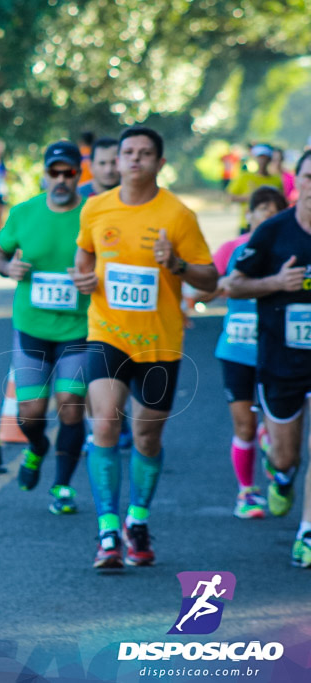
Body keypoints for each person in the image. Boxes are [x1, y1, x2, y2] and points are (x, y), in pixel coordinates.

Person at [71, 127, 217, 569]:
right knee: (105, 426)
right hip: (107, 333)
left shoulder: (179, 215)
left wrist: (176, 264)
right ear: (117, 160)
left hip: (159, 342)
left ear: (159, 162)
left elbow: (210, 280)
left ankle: (137, 520)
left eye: (145, 153)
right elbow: (84, 259)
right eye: (127, 152)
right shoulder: (96, 207)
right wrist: (84, 278)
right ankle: (108, 530)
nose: (135, 159)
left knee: (147, 436)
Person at [0, 141, 89, 515]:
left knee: (70, 406)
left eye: (69, 173)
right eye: (55, 173)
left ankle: (62, 485)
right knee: (30, 413)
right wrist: (6, 268)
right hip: (32, 326)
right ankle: (36, 446)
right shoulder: (23, 213)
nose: (61, 180)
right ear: (44, 175)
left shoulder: (92, 215)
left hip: (79, 330)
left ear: (79, 175)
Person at [225, 149, 311, 568]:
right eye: (310, 177)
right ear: (298, 182)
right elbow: (233, 284)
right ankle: (279, 474)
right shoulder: (274, 232)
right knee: (286, 455)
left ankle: (307, 533)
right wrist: (277, 282)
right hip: (282, 360)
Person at [204, 187, 288, 519]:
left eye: (275, 210)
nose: (267, 215)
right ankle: (247, 494)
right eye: (261, 209)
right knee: (244, 426)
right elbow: (205, 286)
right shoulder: (231, 249)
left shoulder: (289, 250)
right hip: (236, 348)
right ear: (249, 214)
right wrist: (187, 301)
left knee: (276, 428)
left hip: (276, 350)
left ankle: (276, 457)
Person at [227, 144, 283, 233]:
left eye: (265, 158)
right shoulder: (244, 177)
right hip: (247, 224)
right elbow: (230, 197)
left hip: (271, 224)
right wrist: (253, 197)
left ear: (270, 159)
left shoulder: (276, 180)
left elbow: (281, 202)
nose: (262, 161)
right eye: (260, 157)